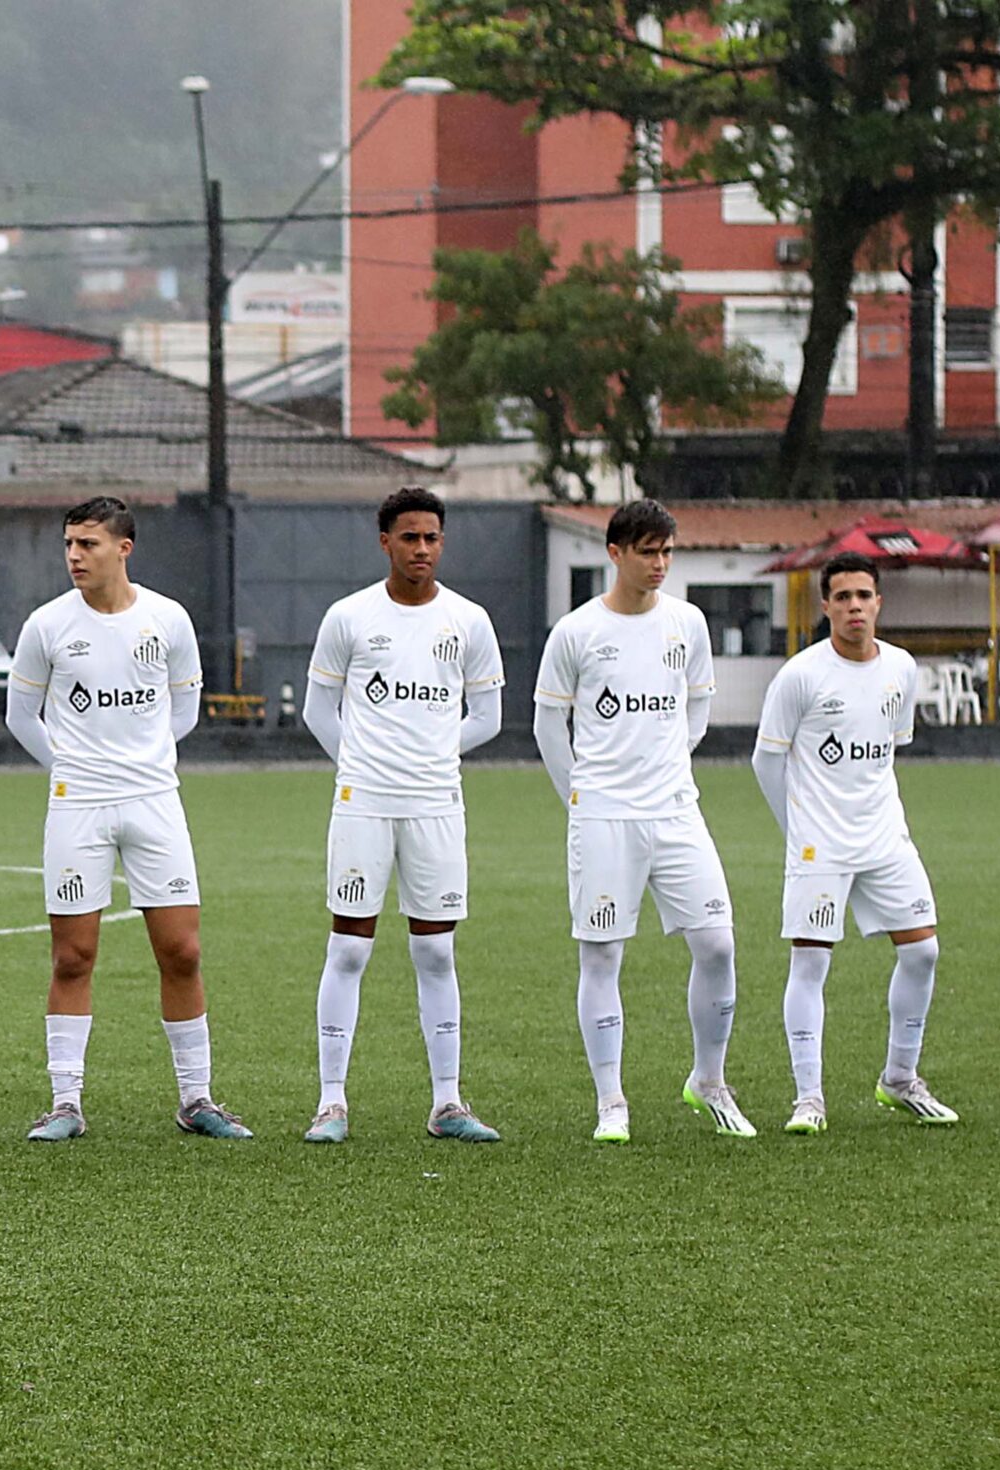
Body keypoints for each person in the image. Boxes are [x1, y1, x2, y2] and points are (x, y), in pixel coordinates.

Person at [6, 495, 251, 1141]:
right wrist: (71, 768)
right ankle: (66, 1104)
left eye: (87, 544)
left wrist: (143, 761)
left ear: (124, 548)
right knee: (73, 956)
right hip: (78, 807)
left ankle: (197, 1099)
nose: (74, 556)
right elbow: (19, 717)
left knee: (182, 950)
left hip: (153, 801)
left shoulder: (168, 620)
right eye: (69, 544)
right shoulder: (47, 625)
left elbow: (185, 709)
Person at [532, 497, 749, 1144]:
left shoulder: (688, 623)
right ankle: (612, 1101)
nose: (659, 564)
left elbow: (699, 706)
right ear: (616, 554)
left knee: (718, 944)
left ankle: (709, 1082)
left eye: (667, 552)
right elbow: (548, 724)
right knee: (602, 955)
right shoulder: (576, 631)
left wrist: (667, 764)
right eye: (648, 552)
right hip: (603, 818)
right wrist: (582, 795)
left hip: (677, 812)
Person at [299, 487, 505, 1144]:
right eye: (409, 537)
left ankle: (447, 1103)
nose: (422, 549)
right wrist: (361, 764)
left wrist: (430, 756)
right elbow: (318, 711)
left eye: (432, 538)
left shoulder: (468, 620)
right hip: (364, 804)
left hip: (436, 804)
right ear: (384, 540)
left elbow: (489, 718)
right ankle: (331, 1102)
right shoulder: (350, 617)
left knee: (436, 950)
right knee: (350, 948)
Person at [752, 555, 957, 1136]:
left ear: (879, 603)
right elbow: (767, 761)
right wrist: (798, 835)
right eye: (841, 597)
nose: (854, 607)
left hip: (885, 837)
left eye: (864, 596)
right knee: (811, 962)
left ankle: (900, 1078)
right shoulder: (801, 676)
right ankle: (808, 1097)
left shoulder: (901, 668)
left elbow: (891, 744)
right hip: (820, 846)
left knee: (923, 952)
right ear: (825, 606)